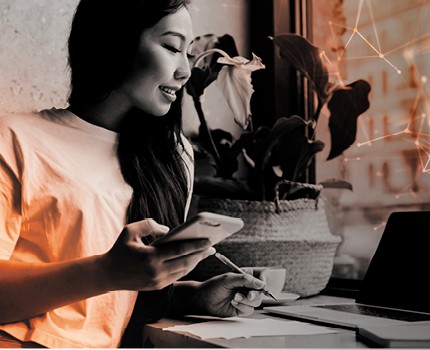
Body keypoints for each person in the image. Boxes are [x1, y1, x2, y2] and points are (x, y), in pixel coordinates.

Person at [0, 0, 266, 348]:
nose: (185, 71)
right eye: (172, 47)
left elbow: (107, 302)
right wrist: (106, 271)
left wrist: (193, 296)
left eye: (188, 52)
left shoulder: (173, 159)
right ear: (114, 40)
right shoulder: (17, 140)